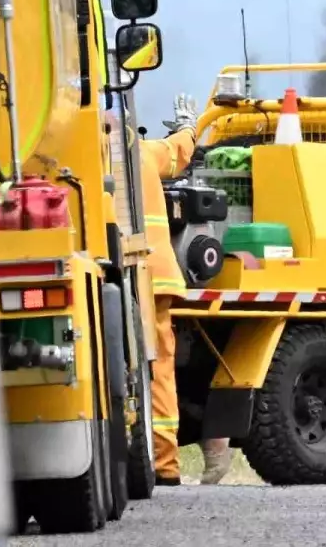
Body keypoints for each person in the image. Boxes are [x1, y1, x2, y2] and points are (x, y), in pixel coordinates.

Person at [143, 94, 200, 487]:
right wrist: (188, 127)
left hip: (118, 279)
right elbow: (178, 153)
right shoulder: (141, 151)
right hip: (158, 278)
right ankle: (165, 466)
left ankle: (145, 459)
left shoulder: (75, 157)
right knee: (160, 368)